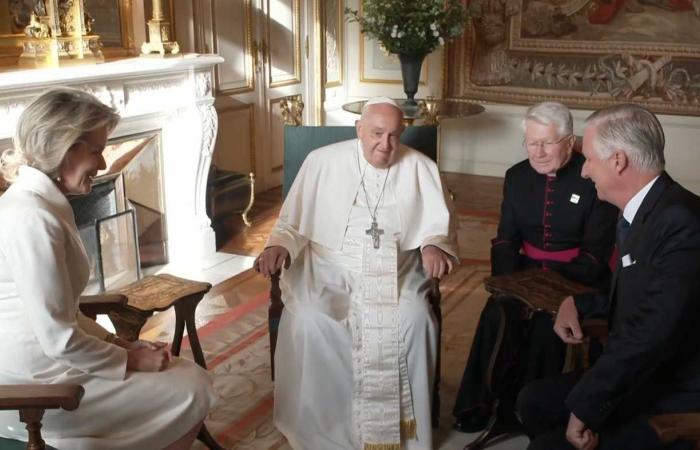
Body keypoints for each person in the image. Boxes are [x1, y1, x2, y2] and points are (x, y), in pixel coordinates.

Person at [0, 87, 217, 450]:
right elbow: (59, 337)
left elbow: (64, 312)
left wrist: (121, 342)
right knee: (193, 387)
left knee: (187, 378)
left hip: (49, 360)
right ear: (63, 147)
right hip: (35, 386)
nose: (103, 165)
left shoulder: (40, 202)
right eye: (97, 150)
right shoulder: (31, 218)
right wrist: (130, 359)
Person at [255, 97, 458, 450]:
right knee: (310, 319)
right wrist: (278, 246)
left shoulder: (420, 167)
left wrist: (432, 246)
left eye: (394, 135)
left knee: (415, 318)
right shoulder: (322, 162)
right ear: (359, 129)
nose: (385, 144)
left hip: (395, 269)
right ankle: (326, 427)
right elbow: (292, 222)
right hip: (329, 268)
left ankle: (406, 428)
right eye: (377, 134)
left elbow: (437, 227)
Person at [517, 104, 700, 450]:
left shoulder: (682, 224)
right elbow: (642, 294)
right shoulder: (644, 211)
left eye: (588, 159)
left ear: (617, 161)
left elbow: (651, 333)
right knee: (533, 400)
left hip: (671, 392)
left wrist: (587, 406)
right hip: (640, 371)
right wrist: (579, 303)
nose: (583, 171)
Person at [452, 102, 618, 433]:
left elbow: (595, 255)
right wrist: (510, 283)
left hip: (578, 276)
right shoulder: (516, 176)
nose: (538, 153)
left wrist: (547, 287)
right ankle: (483, 403)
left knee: (547, 324)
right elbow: (505, 240)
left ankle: (535, 413)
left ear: (570, 141)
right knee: (497, 311)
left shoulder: (593, 177)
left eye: (547, 143)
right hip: (523, 271)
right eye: (531, 143)